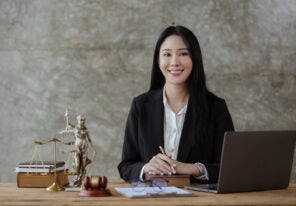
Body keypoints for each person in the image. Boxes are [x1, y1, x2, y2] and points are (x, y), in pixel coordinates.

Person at [118, 25, 234, 184]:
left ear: (195, 59)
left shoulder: (216, 108)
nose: (174, 62)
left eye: (183, 54)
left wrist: (192, 168)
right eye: (167, 54)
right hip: (151, 199)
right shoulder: (140, 106)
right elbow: (126, 166)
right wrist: (146, 168)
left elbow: (229, 168)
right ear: (158, 60)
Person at [61, 114, 96, 186]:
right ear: (78, 120)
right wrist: (66, 116)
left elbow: (89, 140)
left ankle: (81, 180)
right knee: (77, 163)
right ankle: (77, 177)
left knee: (83, 164)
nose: (82, 121)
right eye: (80, 120)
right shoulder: (75, 128)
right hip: (77, 147)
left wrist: (94, 149)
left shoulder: (86, 130)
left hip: (84, 147)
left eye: (83, 120)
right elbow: (68, 124)